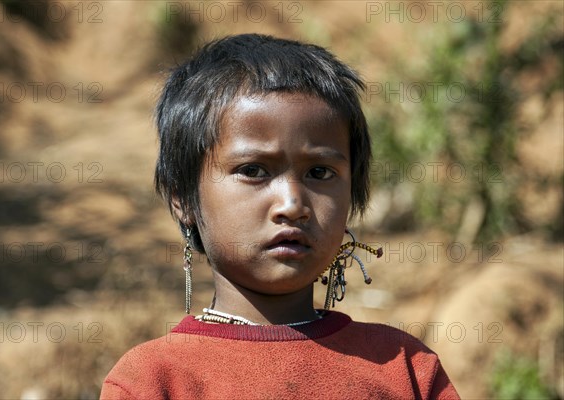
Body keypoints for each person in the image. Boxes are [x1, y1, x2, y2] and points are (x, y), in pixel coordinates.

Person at [100, 33, 460, 399]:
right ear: (183, 198)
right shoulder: (151, 381)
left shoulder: (403, 366)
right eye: (254, 170)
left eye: (319, 173)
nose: (292, 204)